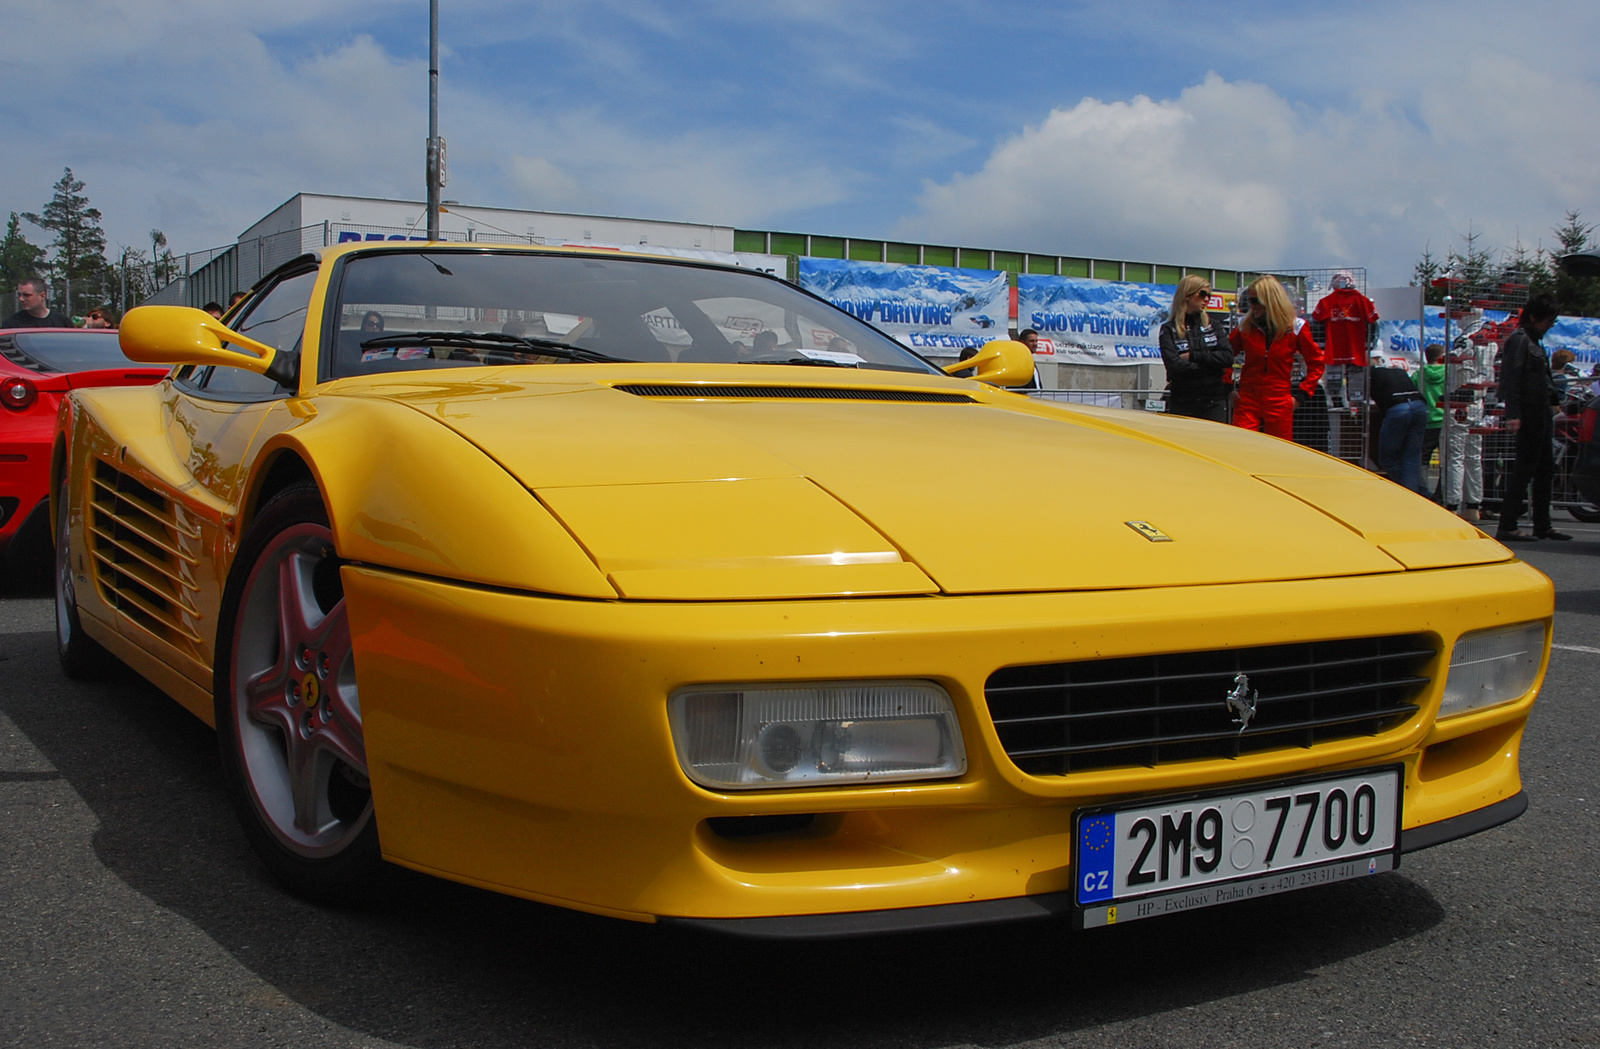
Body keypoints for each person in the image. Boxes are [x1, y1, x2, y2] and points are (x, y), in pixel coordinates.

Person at [1496, 294, 1568, 541]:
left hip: (1541, 411)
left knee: (1545, 469)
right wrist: (1513, 414)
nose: (1550, 325)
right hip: (1528, 412)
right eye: (1548, 320)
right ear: (1534, 317)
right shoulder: (1520, 340)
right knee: (1524, 469)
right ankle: (1508, 524)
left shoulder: (1534, 341)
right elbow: (1511, 378)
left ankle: (1542, 524)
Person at [1229, 276, 1324, 440]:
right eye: (1249, 301)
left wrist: (1301, 396)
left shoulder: (1296, 327)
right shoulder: (1244, 325)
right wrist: (1229, 389)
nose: (1251, 306)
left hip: (1279, 398)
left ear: (1269, 301)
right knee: (1241, 445)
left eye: (1255, 301)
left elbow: (1316, 363)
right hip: (1248, 398)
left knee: (1279, 452)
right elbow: (1225, 356)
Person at [1158, 275, 1232, 421]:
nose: (1207, 299)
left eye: (1209, 296)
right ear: (1187, 295)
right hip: (1183, 401)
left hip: (1214, 401)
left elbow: (1227, 357)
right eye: (1202, 294)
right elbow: (1174, 366)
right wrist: (1212, 367)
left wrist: (1193, 356)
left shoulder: (1213, 325)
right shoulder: (1169, 329)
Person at [1369, 355, 1428, 494]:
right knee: (1411, 458)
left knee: (1387, 459)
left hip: (1397, 409)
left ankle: (1409, 493)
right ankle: (1419, 492)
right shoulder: (1399, 370)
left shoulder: (1369, 374)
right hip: (1419, 406)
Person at [1415, 343, 1446, 496]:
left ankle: (1423, 492)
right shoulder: (1448, 373)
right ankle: (1442, 494)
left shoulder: (1419, 373)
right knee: (1446, 461)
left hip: (1426, 421)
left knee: (1422, 460)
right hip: (1444, 421)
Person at [5, 277, 73, 328]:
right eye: (19, 295)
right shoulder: (12, 324)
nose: (21, 299)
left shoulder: (63, 322)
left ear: (43, 296)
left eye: (27, 295)